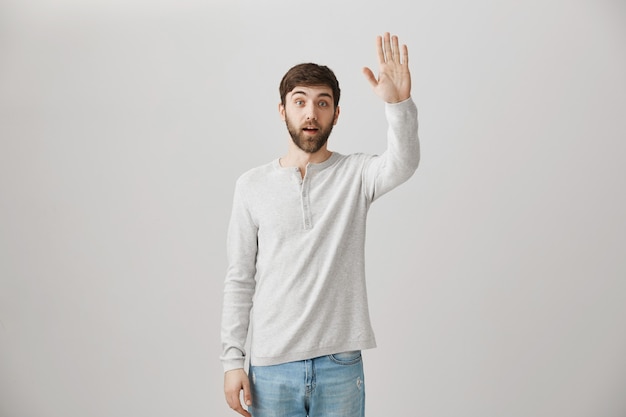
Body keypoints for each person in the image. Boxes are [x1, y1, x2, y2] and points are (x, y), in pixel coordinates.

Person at [221, 32, 420, 417]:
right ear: (283, 110)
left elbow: (404, 163)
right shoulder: (251, 186)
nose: (311, 113)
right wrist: (232, 361)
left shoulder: (356, 174)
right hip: (271, 366)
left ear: (336, 114)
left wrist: (399, 104)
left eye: (322, 103)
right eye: (300, 102)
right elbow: (240, 277)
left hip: (340, 363)